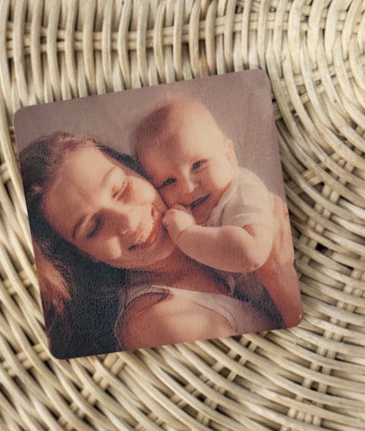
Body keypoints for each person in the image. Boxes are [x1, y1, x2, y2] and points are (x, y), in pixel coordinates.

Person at [19, 132, 286, 356]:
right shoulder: (159, 320)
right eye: (93, 227)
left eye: (119, 187)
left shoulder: (212, 215)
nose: (125, 221)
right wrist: (278, 275)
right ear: (85, 254)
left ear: (133, 169)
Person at [132, 97, 302, 327]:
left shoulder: (242, 190)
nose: (188, 188)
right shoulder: (196, 211)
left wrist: (187, 233)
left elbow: (251, 253)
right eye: (168, 181)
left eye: (198, 164)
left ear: (229, 156)